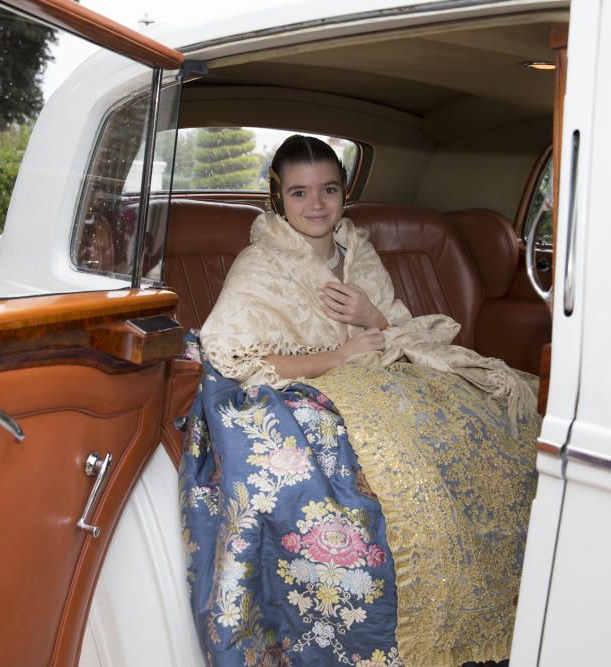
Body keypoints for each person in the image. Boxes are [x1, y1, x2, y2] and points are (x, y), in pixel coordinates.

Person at [183, 135, 538, 667]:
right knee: (394, 479)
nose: (317, 205)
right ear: (276, 197)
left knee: (482, 425)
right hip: (313, 384)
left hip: (379, 373)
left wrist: (372, 316)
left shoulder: (358, 247)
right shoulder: (259, 264)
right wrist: (340, 355)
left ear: (345, 193)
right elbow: (234, 361)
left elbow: (395, 326)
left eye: (329, 189)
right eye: (300, 193)